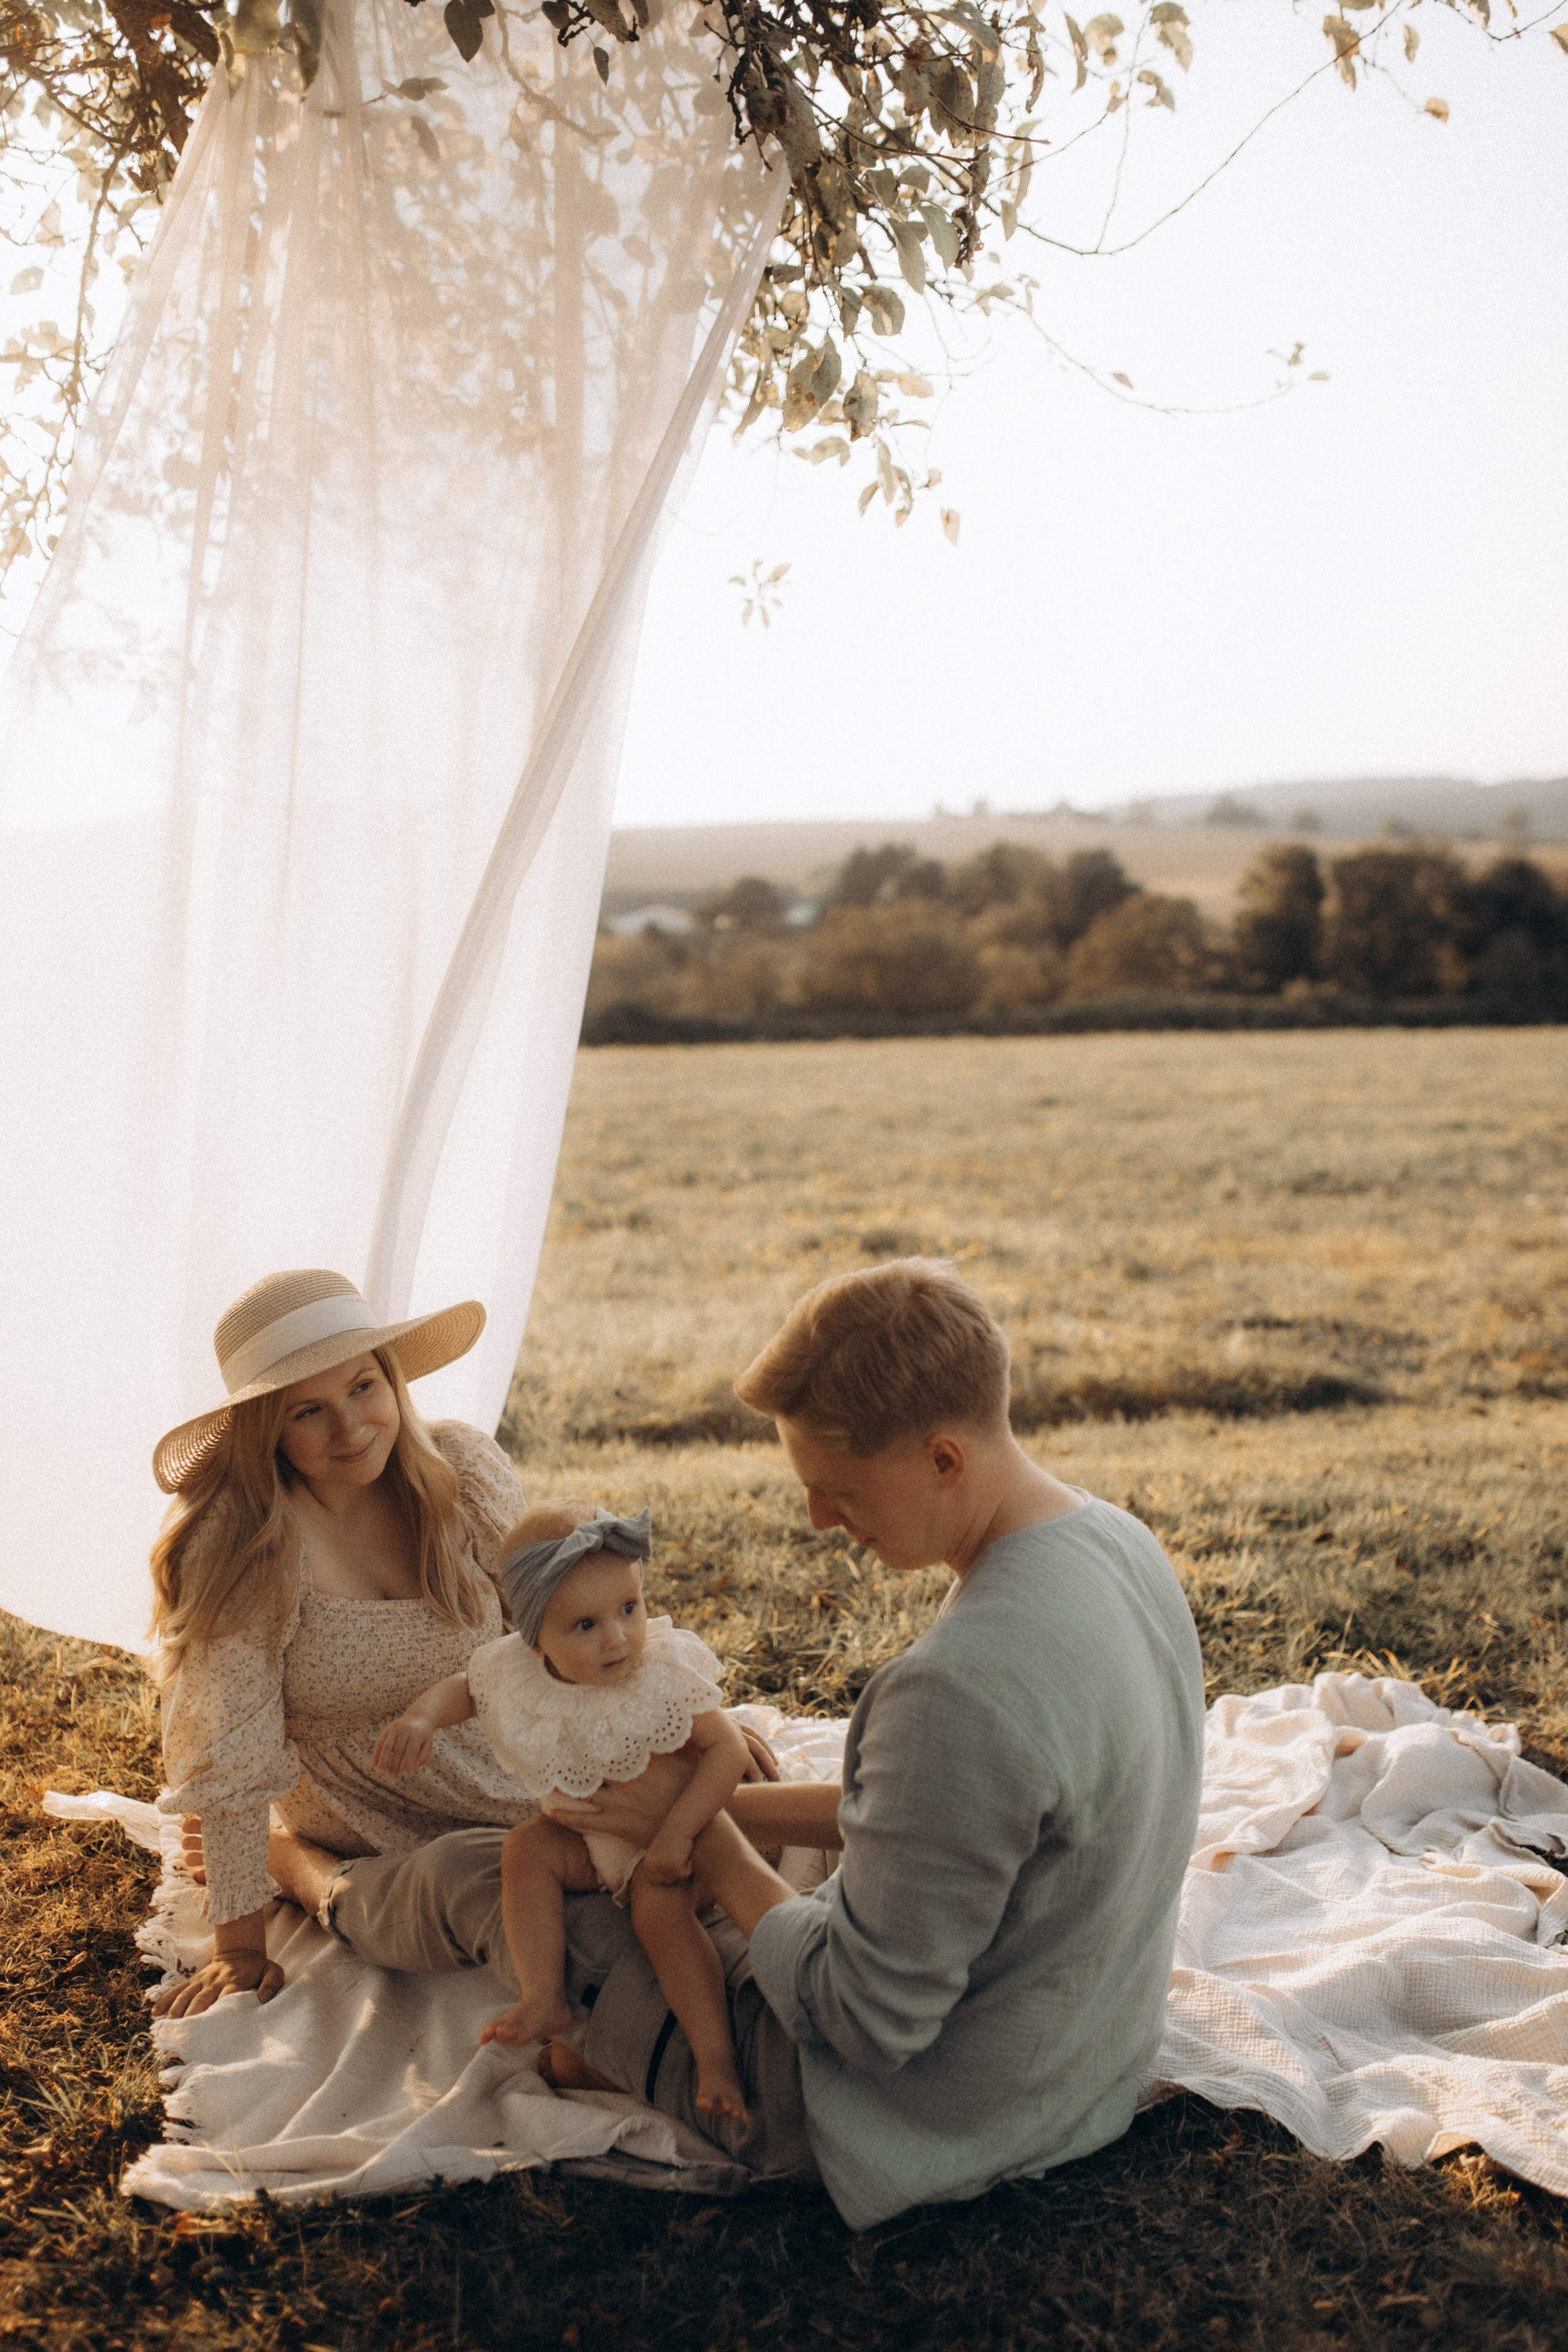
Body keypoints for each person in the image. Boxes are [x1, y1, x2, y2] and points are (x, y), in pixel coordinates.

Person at [269, 1257, 1206, 2229]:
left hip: (888, 2118)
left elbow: (863, 2023)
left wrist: (703, 1836)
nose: (818, 1517)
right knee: (681, 1863)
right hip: (1081, 2063)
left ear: (942, 1459)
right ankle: (625, 2033)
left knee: (482, 1871)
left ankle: (306, 1875)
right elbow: (958, 1814)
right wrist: (699, 1808)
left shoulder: (953, 1690)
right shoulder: (1117, 1545)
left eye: (837, 1488)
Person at [148, 1265, 531, 2019]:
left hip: (527, 1763)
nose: (350, 1428)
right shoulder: (244, 1542)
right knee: (502, 1899)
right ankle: (295, 1864)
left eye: (362, 1387)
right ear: (267, 1428)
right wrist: (240, 1948)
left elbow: (558, 1617)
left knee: (706, 1827)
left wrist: (677, 1725)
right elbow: (230, 1747)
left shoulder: (459, 1469)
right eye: (308, 1412)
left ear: (391, 1378)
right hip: (386, 1822)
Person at [374, 1499, 753, 2119]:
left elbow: (727, 1751)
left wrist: (678, 1836)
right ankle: (544, 1994)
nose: (617, 1638)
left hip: (677, 1839)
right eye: (585, 1625)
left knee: (659, 1913)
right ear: (534, 1637)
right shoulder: (517, 1673)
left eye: (628, 1608)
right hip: (591, 1844)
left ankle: (715, 2059)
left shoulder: (658, 1673)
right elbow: (467, 1690)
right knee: (526, 1847)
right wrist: (421, 1719)